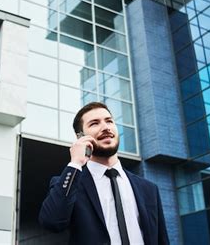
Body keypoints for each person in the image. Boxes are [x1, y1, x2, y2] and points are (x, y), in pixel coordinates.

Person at [38, 102, 169, 245]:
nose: (106, 127)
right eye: (94, 123)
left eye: (109, 121)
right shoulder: (68, 184)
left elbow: (161, 239)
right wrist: (75, 163)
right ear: (80, 136)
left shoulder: (148, 189)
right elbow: (52, 222)